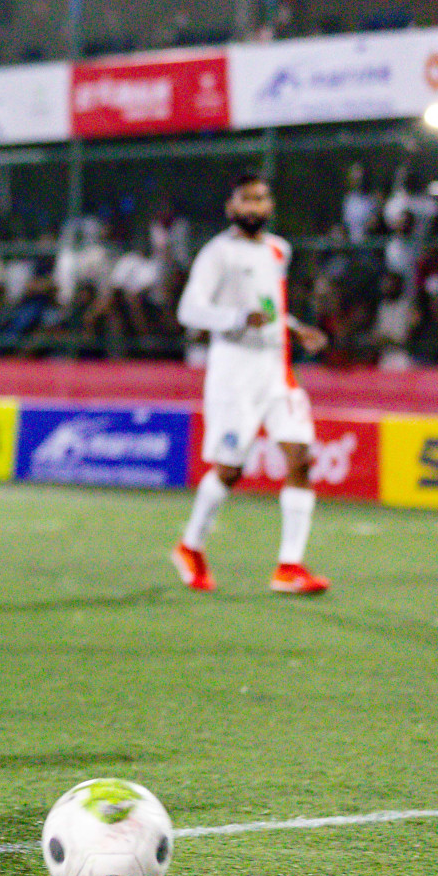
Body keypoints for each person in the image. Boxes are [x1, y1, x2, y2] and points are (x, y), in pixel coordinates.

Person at [171, 174, 331, 596]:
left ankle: (289, 567)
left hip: (278, 372)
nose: (255, 207)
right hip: (234, 375)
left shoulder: (279, 249)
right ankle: (190, 546)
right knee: (229, 469)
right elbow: (189, 310)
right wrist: (237, 319)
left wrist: (295, 328)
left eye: (262, 199)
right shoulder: (217, 253)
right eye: (247, 199)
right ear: (231, 207)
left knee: (300, 458)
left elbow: (269, 304)